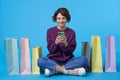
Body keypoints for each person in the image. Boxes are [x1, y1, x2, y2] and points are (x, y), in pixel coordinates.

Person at [37, 7, 88, 76]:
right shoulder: (50, 31)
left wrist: (66, 44)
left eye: (63, 18)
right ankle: (68, 71)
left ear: (67, 19)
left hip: (68, 61)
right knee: (40, 61)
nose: (61, 21)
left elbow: (70, 52)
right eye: (59, 18)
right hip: (53, 61)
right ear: (56, 19)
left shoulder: (71, 32)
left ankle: (55, 71)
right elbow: (51, 51)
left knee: (84, 59)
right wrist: (55, 43)